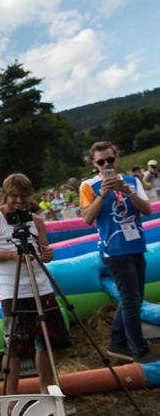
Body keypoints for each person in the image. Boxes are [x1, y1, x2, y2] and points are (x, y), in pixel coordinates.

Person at [0, 173, 71, 397]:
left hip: (42, 286)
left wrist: (47, 253)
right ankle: (11, 399)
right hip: (14, 290)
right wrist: (12, 255)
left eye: (24, 197)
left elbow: (44, 251)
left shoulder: (36, 220)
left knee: (48, 342)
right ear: (5, 195)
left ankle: (46, 390)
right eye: (14, 196)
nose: (19, 201)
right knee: (14, 349)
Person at [80, 141, 158, 363]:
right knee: (132, 299)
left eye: (110, 159)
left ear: (117, 157)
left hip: (136, 245)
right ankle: (140, 351)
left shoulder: (132, 181)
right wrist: (102, 195)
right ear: (94, 164)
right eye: (101, 162)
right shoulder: (88, 186)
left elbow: (147, 210)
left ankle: (117, 343)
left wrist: (128, 192)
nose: (106, 165)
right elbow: (87, 219)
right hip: (114, 250)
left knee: (133, 297)